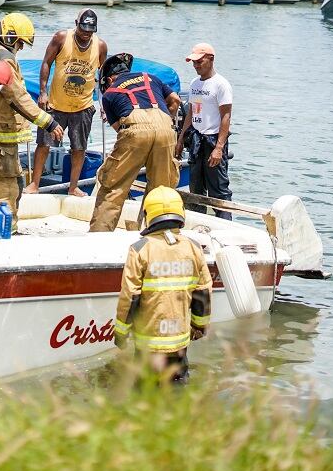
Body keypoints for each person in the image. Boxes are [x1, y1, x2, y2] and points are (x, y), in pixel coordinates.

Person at [0, 13, 63, 229]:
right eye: (20, 43)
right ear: (10, 37)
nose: (19, 48)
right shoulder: (4, 58)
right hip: (0, 137)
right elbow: (17, 96)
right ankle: (7, 231)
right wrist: (49, 122)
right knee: (7, 188)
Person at [114, 186, 211, 385]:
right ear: (180, 213)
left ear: (149, 215)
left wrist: (121, 333)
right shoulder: (193, 248)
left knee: (144, 396)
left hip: (147, 345)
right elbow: (203, 291)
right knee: (177, 391)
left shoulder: (140, 250)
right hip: (179, 345)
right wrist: (199, 326)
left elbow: (130, 296)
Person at [89, 53, 181, 232]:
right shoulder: (151, 78)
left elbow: (120, 130)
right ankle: (163, 233)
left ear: (109, 79)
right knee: (162, 189)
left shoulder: (110, 94)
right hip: (165, 128)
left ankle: (99, 236)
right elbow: (175, 100)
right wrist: (162, 123)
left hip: (134, 130)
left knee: (113, 187)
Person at [23, 8, 107, 197]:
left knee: (79, 148)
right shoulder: (61, 37)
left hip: (83, 106)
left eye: (90, 30)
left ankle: (73, 187)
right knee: (43, 143)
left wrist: (104, 104)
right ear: (76, 24)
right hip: (55, 104)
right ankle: (34, 184)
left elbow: (103, 76)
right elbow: (46, 62)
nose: (86, 34)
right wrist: (43, 92)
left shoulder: (100, 46)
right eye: (83, 29)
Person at [175, 42, 234, 220]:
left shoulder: (221, 84)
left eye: (200, 62)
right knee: (196, 186)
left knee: (218, 188)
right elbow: (191, 112)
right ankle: (196, 222)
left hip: (213, 139)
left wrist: (219, 147)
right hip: (196, 139)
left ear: (211, 59)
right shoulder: (195, 84)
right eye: (194, 62)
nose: (196, 65)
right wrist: (180, 139)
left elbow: (226, 117)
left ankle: (225, 225)